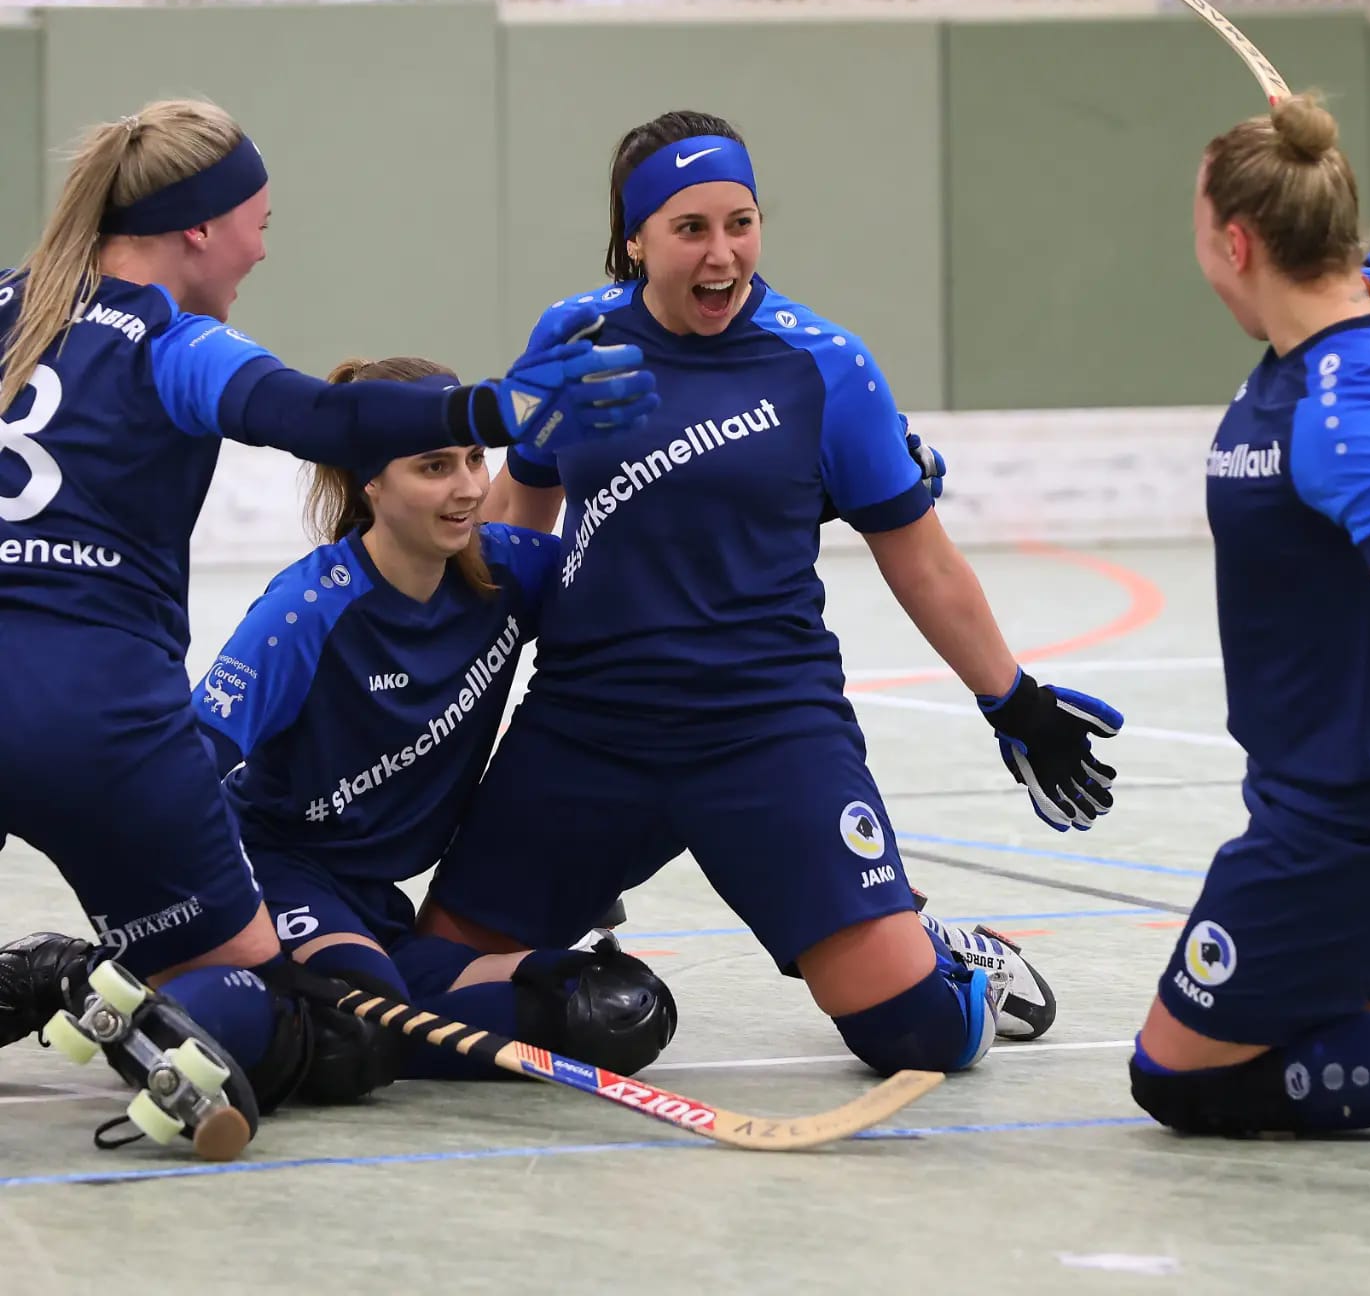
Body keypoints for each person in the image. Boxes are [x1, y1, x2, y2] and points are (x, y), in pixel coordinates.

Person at [0, 97, 656, 1156]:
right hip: (105, 722)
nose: (263, 248)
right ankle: (87, 985)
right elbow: (324, 418)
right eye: (258, 222)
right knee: (317, 1031)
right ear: (199, 228)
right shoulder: (175, 343)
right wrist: (492, 411)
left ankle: (69, 982)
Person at [419, 109, 1125, 1078]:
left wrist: (1013, 699)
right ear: (636, 239)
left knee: (915, 1037)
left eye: (741, 223)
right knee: (428, 996)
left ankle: (940, 952)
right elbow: (517, 522)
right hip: (588, 728)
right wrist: (442, 658)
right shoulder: (575, 337)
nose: (723, 255)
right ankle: (574, 949)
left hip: (765, 730)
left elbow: (922, 560)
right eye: (691, 229)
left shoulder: (824, 364)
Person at [190, 354, 677, 1084]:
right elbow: (182, 765)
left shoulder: (514, 572)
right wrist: (182, 921)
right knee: (360, 1032)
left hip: (378, 906)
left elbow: (646, 610)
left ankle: (322, 1014)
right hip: (280, 874)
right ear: (369, 479)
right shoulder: (307, 612)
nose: (469, 488)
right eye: (434, 466)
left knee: (615, 1009)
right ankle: (168, 996)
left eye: (476, 459)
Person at [1130, 93, 1370, 1136]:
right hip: (1343, 785)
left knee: (1180, 1076)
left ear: (1237, 243)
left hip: (1355, 815)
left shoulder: (1351, 420)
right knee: (1351, 1005)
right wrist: (1292, 155)